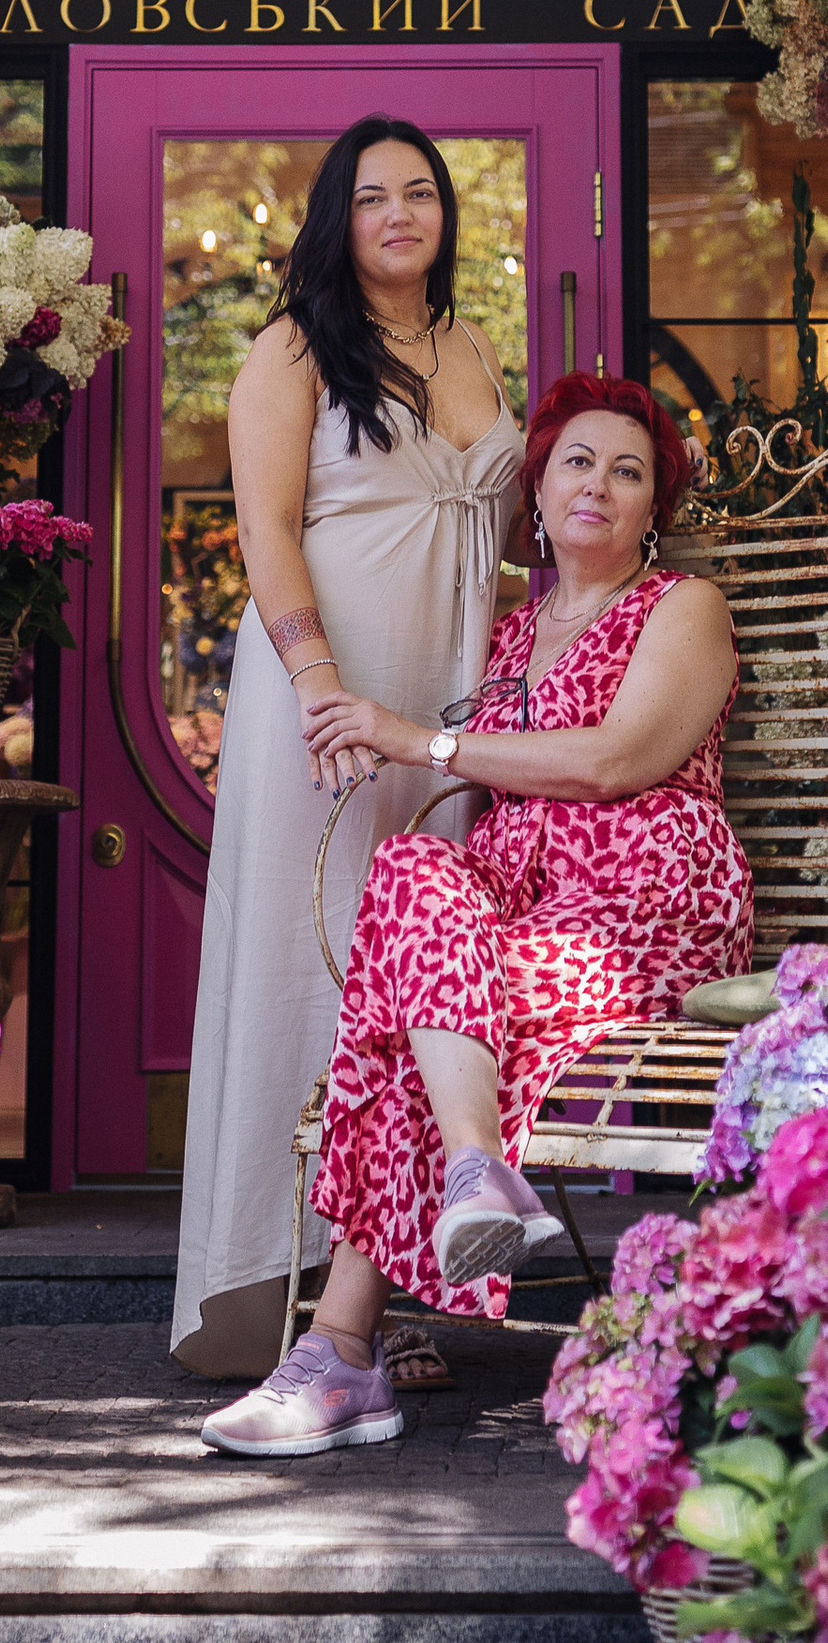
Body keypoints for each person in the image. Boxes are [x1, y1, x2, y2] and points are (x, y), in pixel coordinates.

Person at [199, 372, 750, 1458]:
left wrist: (420, 740)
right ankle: (472, 1171)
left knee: (421, 1018)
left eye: (629, 471)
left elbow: (612, 763)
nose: (599, 484)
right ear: (536, 491)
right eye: (576, 462)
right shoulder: (508, 633)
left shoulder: (681, 609)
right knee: (410, 865)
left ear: (652, 510)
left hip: (641, 896)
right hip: (515, 899)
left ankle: (340, 1353)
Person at [172, 117, 526, 1382]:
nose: (398, 212)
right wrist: (319, 681)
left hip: (447, 704)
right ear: (339, 216)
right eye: (371, 195)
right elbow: (265, 531)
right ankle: (284, 1293)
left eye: (419, 192)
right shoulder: (293, 350)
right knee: (314, 963)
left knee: (416, 982)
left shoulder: (478, 348)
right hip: (319, 697)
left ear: (444, 215)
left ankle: (390, 1294)